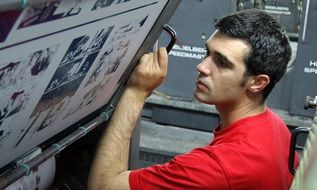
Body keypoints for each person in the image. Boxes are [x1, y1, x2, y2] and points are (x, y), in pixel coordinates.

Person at [88, 9, 298, 190]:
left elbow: (103, 186)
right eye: (208, 53)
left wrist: (135, 92)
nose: (202, 67)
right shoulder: (274, 126)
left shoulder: (219, 166)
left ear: (257, 83)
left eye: (222, 62)